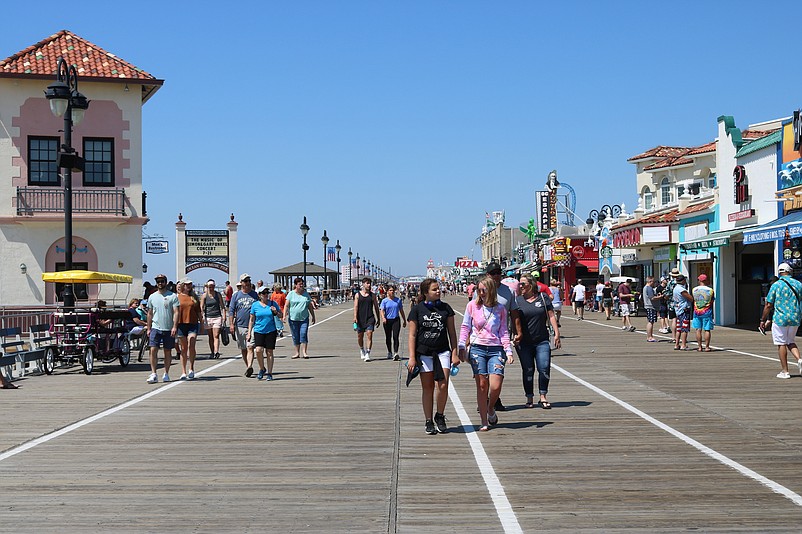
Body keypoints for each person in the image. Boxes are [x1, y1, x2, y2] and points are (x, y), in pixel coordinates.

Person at [459, 277, 513, 431]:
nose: (481, 293)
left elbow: (503, 331)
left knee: (496, 385)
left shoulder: (500, 309)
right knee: (482, 385)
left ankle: (490, 408)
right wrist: (461, 345)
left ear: (491, 290)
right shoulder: (472, 306)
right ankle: (484, 419)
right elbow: (465, 327)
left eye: (484, 290)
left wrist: (508, 350)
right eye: (479, 290)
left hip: (496, 349)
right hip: (477, 348)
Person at [408, 278, 459, 435]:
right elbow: (412, 335)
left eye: (439, 288)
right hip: (424, 353)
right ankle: (428, 420)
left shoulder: (446, 309)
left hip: (442, 351)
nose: (438, 291)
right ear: (425, 293)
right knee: (428, 387)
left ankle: (440, 415)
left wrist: (455, 353)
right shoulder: (417, 310)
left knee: (442, 385)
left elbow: (451, 332)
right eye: (434, 289)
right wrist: (412, 357)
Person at [513, 273, 560, 409]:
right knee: (528, 370)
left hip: (542, 340)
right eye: (519, 284)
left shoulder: (543, 298)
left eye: (523, 284)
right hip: (524, 342)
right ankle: (529, 397)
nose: (520, 286)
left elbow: (551, 316)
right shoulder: (517, 301)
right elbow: (513, 319)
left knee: (544, 368)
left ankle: (543, 396)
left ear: (531, 285)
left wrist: (556, 333)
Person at [483, 262, 520, 412]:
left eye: (499, 272)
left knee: (497, 372)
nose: (497, 275)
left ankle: (494, 399)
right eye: (494, 273)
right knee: (483, 374)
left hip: (500, 338)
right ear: (488, 275)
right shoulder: (481, 290)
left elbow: (514, 312)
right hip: (482, 338)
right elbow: (473, 312)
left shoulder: (508, 291)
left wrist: (518, 331)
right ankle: (484, 399)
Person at [760, 263, 802, 379]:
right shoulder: (798, 284)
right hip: (795, 318)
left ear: (779, 272)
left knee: (781, 343)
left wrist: (763, 319)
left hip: (780, 318)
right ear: (790, 271)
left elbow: (768, 305)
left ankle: (785, 371)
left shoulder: (776, 285)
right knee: (791, 341)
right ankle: (799, 359)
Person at [145, 274, 179, 384]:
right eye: (158, 281)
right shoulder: (152, 296)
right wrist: (148, 328)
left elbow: (176, 312)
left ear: (166, 282)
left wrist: (174, 326)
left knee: (167, 351)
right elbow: (150, 313)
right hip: (155, 327)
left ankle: (166, 373)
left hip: (168, 328)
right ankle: (154, 373)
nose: (160, 283)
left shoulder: (172, 296)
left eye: (162, 281)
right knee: (153, 349)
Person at [248, 285, 282, 380]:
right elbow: (251, 319)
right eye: (264, 293)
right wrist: (249, 332)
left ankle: (270, 373)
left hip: (270, 330)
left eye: (267, 293)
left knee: (269, 352)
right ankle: (262, 368)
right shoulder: (255, 305)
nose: (266, 295)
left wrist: (275, 312)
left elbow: (280, 315)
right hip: (258, 330)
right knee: (258, 350)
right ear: (259, 295)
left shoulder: (272, 303)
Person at [229, 273, 258, 376]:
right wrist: (231, 325)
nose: (248, 283)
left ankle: (250, 366)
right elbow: (231, 310)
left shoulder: (255, 294)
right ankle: (248, 367)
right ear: (241, 283)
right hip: (240, 325)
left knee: (250, 346)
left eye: (249, 281)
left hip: (253, 325)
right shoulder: (236, 296)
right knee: (243, 348)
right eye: (246, 281)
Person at [175, 279, 201, 380]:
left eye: (190, 284)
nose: (188, 286)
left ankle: (191, 368)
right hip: (181, 324)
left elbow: (198, 311)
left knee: (191, 342)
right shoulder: (177, 297)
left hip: (192, 323)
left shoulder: (194, 297)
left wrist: (202, 323)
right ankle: (183, 371)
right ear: (182, 286)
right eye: (186, 284)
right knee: (184, 348)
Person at [284, 277, 316, 359]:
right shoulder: (291, 294)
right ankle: (297, 352)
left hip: (304, 318)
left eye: (302, 284)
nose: (301, 285)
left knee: (303, 334)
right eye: (299, 284)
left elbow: (309, 306)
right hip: (293, 319)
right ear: (295, 285)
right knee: (295, 336)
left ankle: (304, 352)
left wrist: (313, 316)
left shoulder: (306, 294)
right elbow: (286, 305)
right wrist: (284, 315)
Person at [354, 277, 381, 362]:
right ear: (363, 284)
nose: (369, 285)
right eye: (367, 283)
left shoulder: (372, 295)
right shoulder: (358, 295)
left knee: (369, 334)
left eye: (370, 283)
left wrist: (378, 318)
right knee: (360, 336)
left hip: (370, 318)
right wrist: (355, 317)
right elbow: (355, 306)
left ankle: (368, 353)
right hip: (360, 318)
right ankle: (362, 349)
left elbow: (376, 307)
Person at [200, 279, 226, 359]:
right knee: (210, 336)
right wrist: (202, 317)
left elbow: (222, 306)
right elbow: (201, 307)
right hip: (208, 317)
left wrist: (224, 316)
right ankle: (212, 352)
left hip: (217, 317)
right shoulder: (204, 296)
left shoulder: (218, 295)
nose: (211, 288)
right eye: (209, 286)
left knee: (216, 335)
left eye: (212, 286)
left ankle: (216, 351)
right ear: (207, 287)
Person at [380, 284, 407, 360]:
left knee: (396, 336)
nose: (392, 292)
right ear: (387, 291)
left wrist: (404, 320)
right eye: (390, 290)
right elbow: (381, 310)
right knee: (388, 337)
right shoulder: (384, 301)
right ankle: (389, 352)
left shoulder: (398, 300)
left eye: (393, 290)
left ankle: (396, 353)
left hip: (396, 320)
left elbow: (401, 311)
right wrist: (383, 318)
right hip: (387, 320)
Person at [691, 274, 715, 352]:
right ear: (706, 280)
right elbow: (712, 300)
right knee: (707, 330)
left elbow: (694, 299)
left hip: (697, 312)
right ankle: (707, 347)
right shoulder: (711, 290)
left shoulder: (694, 289)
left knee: (698, 329)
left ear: (700, 280)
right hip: (707, 312)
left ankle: (699, 347)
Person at [672, 275, 693, 350]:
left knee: (679, 328)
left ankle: (677, 344)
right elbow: (690, 298)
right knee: (684, 328)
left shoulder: (675, 288)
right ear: (683, 281)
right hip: (684, 309)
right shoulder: (681, 289)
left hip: (678, 309)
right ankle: (683, 344)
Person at [643, 277, 659, 342]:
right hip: (650, 306)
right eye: (653, 282)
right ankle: (649, 337)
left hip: (648, 306)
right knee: (651, 321)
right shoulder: (648, 288)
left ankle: (650, 336)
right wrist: (660, 297)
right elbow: (652, 298)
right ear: (650, 281)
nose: (654, 283)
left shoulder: (645, 288)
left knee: (651, 321)